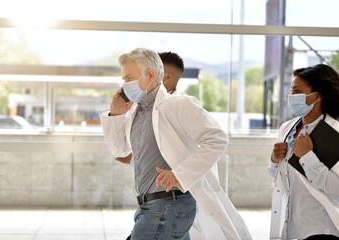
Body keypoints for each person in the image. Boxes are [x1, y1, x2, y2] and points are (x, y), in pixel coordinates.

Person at [100, 48, 251, 239]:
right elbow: (120, 151)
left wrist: (180, 175)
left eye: (129, 77)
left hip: (168, 205)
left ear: (150, 74)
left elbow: (217, 139)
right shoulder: (135, 112)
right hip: (148, 205)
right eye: (124, 79)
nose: (125, 84)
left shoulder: (178, 104)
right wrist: (116, 114)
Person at [268, 64, 339, 240]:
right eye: (292, 91)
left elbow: (336, 188)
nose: (292, 96)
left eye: (297, 91)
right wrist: (274, 161)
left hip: (321, 230)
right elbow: (279, 179)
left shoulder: (334, 132)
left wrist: (307, 157)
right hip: (291, 230)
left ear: (318, 96)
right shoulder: (287, 129)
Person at [115, 51, 184, 164]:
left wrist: (134, 159)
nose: (157, 76)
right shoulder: (140, 107)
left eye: (160, 72)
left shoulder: (181, 107)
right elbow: (120, 151)